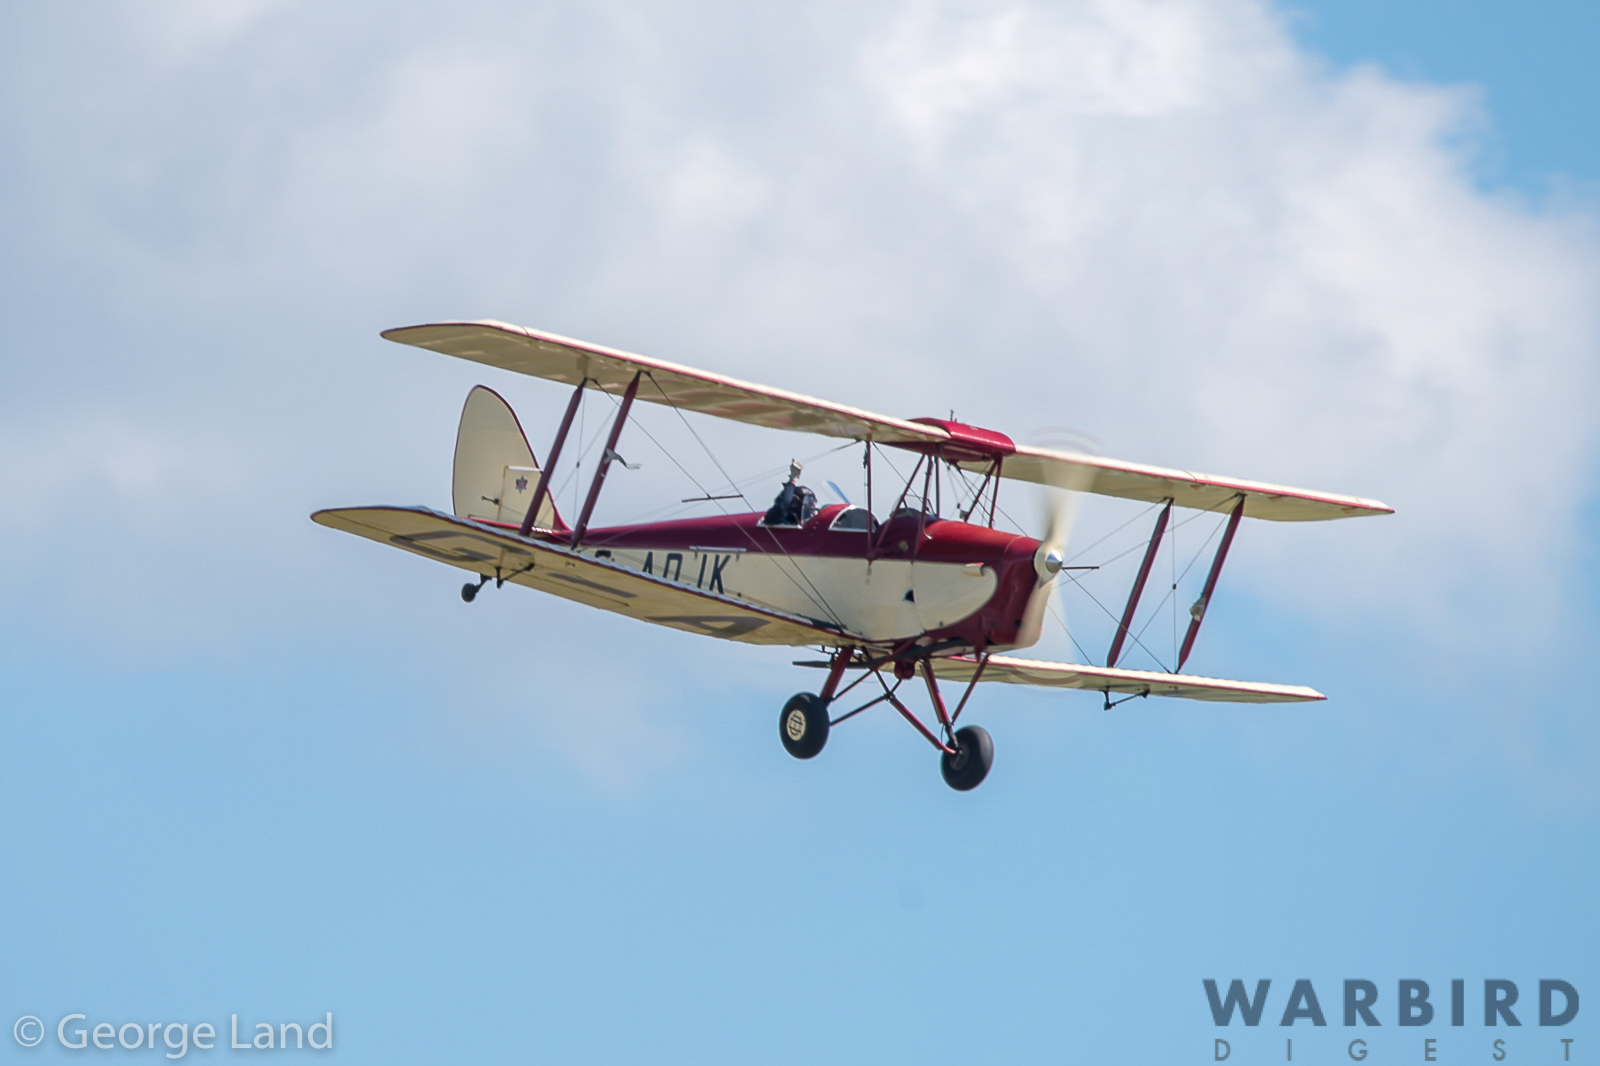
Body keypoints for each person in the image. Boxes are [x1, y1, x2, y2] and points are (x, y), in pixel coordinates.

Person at [763, 459, 818, 526]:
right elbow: (781, 506)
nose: (811, 505)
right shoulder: (778, 519)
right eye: (806, 501)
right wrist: (793, 480)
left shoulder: (812, 522)